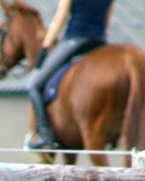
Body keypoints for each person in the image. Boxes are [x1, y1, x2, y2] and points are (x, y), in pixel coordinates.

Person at [27, 0, 114, 150]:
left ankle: (45, 136)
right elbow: (106, 22)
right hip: (100, 41)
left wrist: (45, 48)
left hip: (76, 40)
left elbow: (59, 19)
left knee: (34, 85)